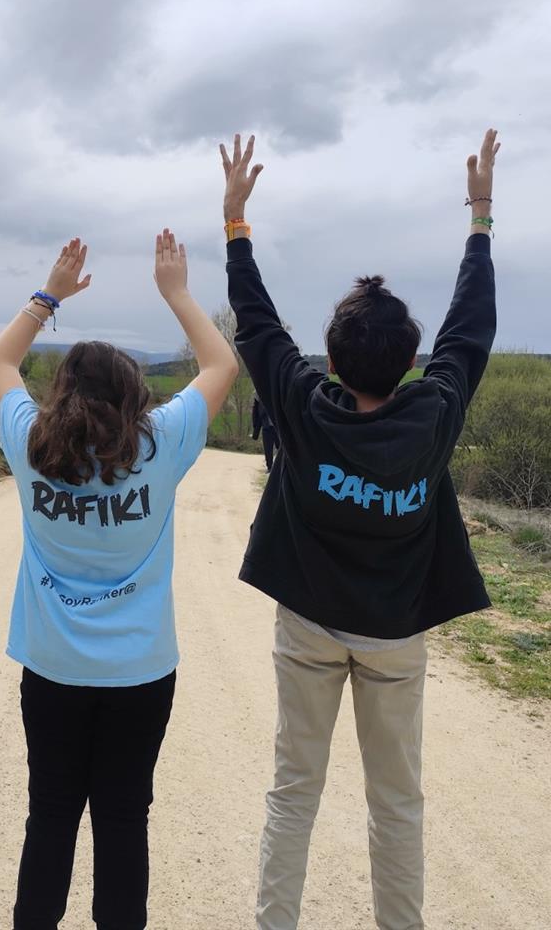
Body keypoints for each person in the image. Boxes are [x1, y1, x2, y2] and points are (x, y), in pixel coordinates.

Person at [219, 130, 499, 930]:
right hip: (394, 637)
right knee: (397, 803)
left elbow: (257, 324)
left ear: (334, 366)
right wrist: (480, 216)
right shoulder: (434, 412)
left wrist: (236, 224)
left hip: (306, 626)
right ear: (409, 363)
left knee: (293, 794)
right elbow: (470, 329)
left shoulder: (306, 409)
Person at [0, 232, 239, 930]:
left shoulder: (29, 443)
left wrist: (50, 293)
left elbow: (0, 359)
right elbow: (221, 361)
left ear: (61, 390)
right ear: (133, 395)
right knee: (124, 819)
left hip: (53, 667)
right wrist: (177, 292)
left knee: (51, 816)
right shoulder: (160, 445)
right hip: (140, 672)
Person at [251, 393, 280, 472]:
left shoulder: (277, 389)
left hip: (278, 427)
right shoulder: (259, 393)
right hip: (266, 426)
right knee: (268, 449)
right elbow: (255, 410)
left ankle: (280, 467)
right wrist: (255, 424)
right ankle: (270, 467)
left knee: (281, 448)